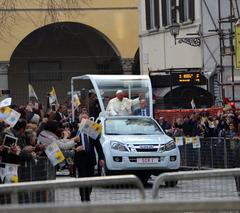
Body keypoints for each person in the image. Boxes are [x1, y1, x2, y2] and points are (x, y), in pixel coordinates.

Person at [74, 112, 105, 202]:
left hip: (90, 159)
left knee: (90, 179)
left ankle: (87, 194)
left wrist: (101, 158)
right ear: (80, 121)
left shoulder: (92, 131)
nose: (85, 121)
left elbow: (98, 146)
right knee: (82, 179)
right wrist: (76, 148)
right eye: (83, 119)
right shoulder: (76, 132)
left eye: (87, 119)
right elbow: (69, 144)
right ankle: (84, 198)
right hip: (80, 159)